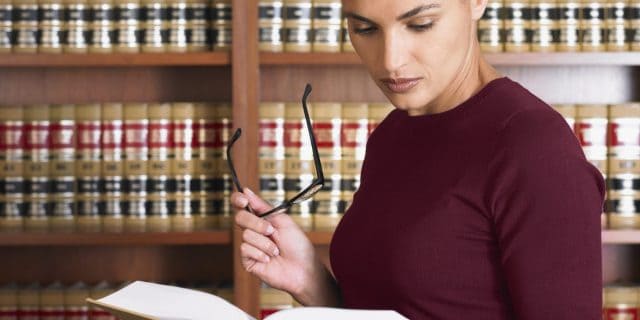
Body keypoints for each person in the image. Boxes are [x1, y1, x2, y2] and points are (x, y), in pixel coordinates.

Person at [232, 0, 605, 318]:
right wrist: (310, 280)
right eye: (364, 29)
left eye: (420, 25)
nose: (391, 61)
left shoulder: (533, 147)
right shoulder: (393, 133)